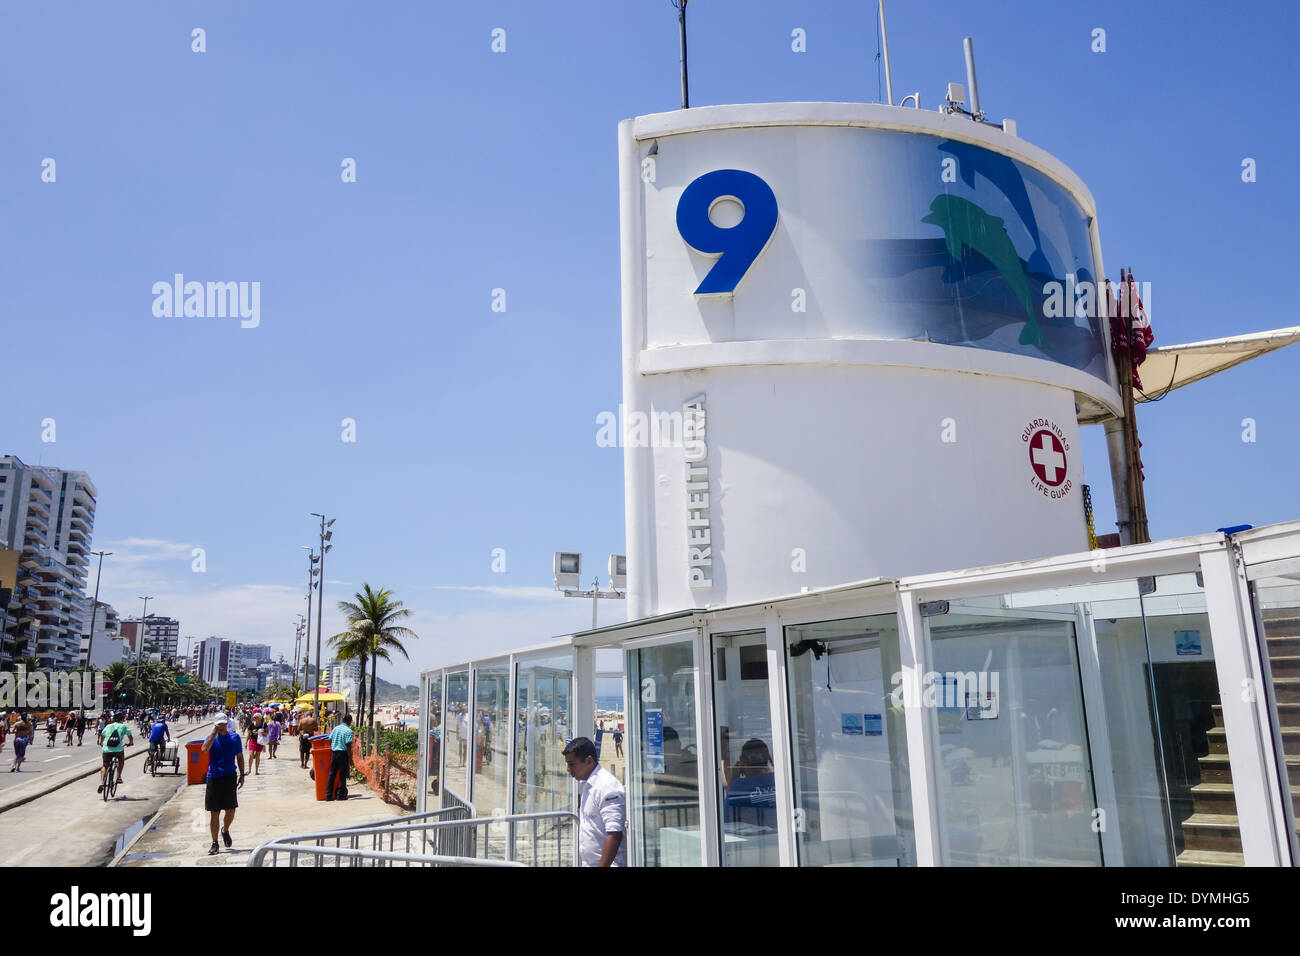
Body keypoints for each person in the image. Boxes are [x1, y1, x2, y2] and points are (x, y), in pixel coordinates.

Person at [563, 736, 626, 867]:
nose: (568, 769)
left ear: (589, 761)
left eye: (572, 764)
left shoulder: (607, 787)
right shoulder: (586, 784)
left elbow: (615, 834)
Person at [200, 714, 245, 855]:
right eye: (218, 724)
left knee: (231, 809)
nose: (221, 726)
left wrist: (242, 774)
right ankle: (214, 843)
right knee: (215, 813)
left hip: (230, 776)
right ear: (215, 725)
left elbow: (239, 756)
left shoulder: (234, 738)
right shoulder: (211, 738)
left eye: (223, 724)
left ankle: (225, 830)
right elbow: (204, 750)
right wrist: (213, 733)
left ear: (227, 723)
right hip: (214, 777)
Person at [97, 711, 133, 790]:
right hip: (118, 749)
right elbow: (130, 736)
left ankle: (101, 783)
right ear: (122, 719)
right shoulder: (123, 726)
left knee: (105, 766)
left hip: (106, 749)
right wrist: (131, 743)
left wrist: (101, 743)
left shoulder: (108, 726)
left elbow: (102, 735)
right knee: (121, 760)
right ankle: (118, 777)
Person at [325, 713, 354, 801]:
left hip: (334, 753)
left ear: (342, 720)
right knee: (342, 775)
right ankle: (341, 795)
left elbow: (330, 739)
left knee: (332, 774)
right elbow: (348, 746)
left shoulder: (336, 728)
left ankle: (328, 795)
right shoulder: (349, 731)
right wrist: (350, 759)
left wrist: (335, 746)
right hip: (343, 754)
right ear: (349, 721)